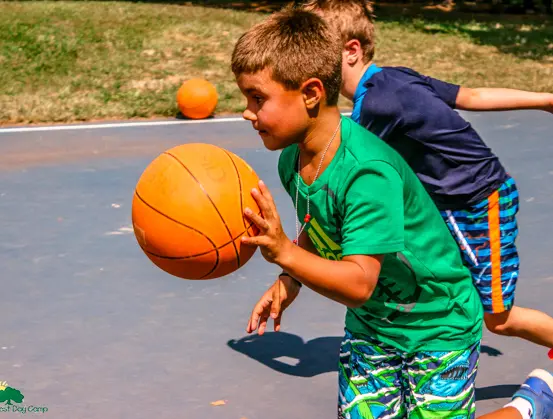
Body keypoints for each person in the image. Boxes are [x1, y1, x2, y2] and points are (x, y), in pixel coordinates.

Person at [231, 6, 484, 418]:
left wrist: (284, 252)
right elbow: (320, 223)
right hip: (373, 328)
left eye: (258, 98)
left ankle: (530, 404)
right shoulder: (292, 161)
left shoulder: (368, 173)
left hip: (438, 327)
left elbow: (358, 284)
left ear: (311, 93)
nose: (247, 111)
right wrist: (289, 277)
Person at [301, 0, 553, 353]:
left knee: (499, 319)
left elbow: (341, 166)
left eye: (316, 55)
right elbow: (473, 95)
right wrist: (545, 99)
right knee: (446, 289)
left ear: (351, 50)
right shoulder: (397, 77)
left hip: (479, 201)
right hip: (448, 204)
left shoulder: (376, 104)